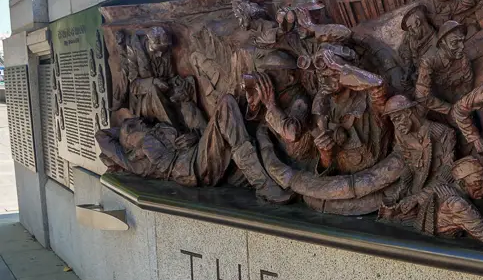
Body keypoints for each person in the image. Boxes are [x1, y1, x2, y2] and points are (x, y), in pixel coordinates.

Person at [96, 95, 291, 204]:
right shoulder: (136, 159)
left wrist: (194, 137)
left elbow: (192, 135)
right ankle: (263, 185)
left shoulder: (158, 130)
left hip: (197, 158)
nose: (139, 120)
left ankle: (270, 178)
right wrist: (126, 135)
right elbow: (101, 136)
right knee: (226, 105)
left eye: (134, 121)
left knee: (236, 110)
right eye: (132, 125)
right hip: (193, 169)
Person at [379, 156, 483, 247]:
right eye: (477, 183)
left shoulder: (445, 188)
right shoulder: (458, 205)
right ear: (463, 184)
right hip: (441, 246)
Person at [310, 48, 389, 173]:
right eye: (322, 75)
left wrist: (341, 68)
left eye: (333, 74)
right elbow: (328, 174)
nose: (326, 81)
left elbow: (379, 84)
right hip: (345, 185)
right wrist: (325, 157)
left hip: (379, 173)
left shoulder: (368, 99)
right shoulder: (322, 109)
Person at [244, 52, 316, 168]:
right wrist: (254, 104)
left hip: (300, 166)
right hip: (277, 156)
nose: (268, 78)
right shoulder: (277, 95)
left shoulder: (301, 101)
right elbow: (259, 119)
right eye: (266, 72)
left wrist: (270, 104)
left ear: (290, 78)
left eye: (272, 73)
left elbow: (292, 133)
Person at [382, 94, 456, 197]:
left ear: (408, 112)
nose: (397, 126)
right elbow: (409, 164)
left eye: (398, 118)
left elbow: (449, 168)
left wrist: (421, 196)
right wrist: (402, 188)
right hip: (415, 190)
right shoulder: (403, 137)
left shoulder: (441, 133)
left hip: (438, 192)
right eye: (394, 121)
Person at [415, 21, 473, 116]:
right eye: (454, 43)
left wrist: (463, 104)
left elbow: (468, 83)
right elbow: (422, 96)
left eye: (462, 41)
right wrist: (450, 110)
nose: (462, 47)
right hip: (440, 110)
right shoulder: (429, 61)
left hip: (461, 102)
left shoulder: (462, 58)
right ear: (442, 44)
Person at [396, 5, 436, 90]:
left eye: (410, 28)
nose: (410, 32)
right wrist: (408, 71)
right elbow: (406, 52)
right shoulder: (412, 36)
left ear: (418, 22)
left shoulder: (436, 44)